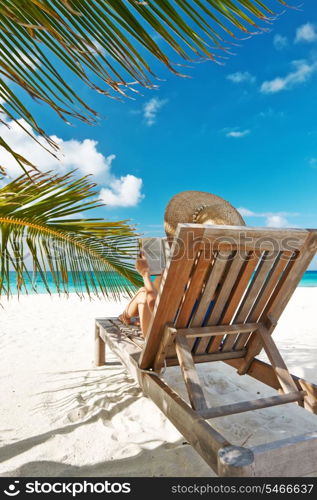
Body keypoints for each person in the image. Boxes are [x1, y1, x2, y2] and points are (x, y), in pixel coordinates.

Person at [119, 190, 245, 337]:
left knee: (143, 293)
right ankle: (126, 317)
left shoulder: (190, 283)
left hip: (175, 343)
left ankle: (125, 317)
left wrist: (145, 274)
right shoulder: (231, 277)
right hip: (209, 341)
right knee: (153, 286)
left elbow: (154, 306)